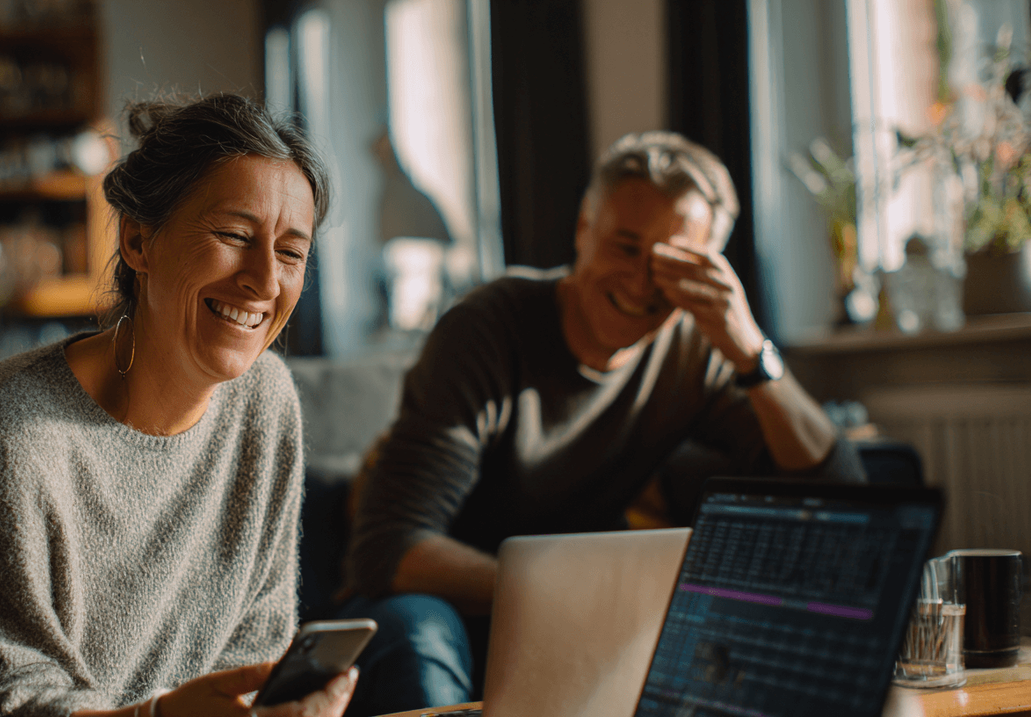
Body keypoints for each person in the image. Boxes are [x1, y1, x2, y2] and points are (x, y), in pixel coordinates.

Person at [0, 94, 356, 717]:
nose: (264, 280)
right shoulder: (12, 430)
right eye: (233, 235)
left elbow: (255, 646)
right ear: (139, 240)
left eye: (291, 252)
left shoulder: (266, 404)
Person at [338, 131, 866, 716]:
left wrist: (750, 351)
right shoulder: (488, 327)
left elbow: (844, 496)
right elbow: (389, 551)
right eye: (625, 246)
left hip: (571, 615)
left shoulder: (695, 352)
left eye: (669, 262)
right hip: (435, 603)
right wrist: (575, 593)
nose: (640, 283)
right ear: (583, 230)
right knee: (422, 633)